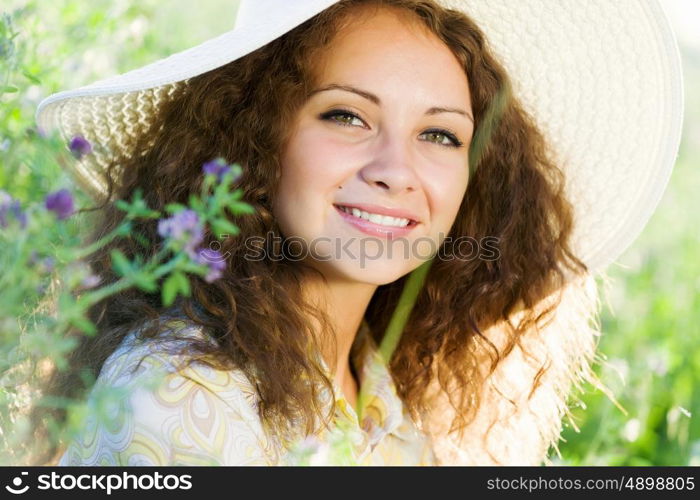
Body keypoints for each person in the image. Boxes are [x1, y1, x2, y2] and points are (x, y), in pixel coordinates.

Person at [31, 0, 683, 465]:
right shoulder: (179, 394)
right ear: (254, 140)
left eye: (439, 134)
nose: (396, 172)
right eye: (346, 115)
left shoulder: (387, 410)